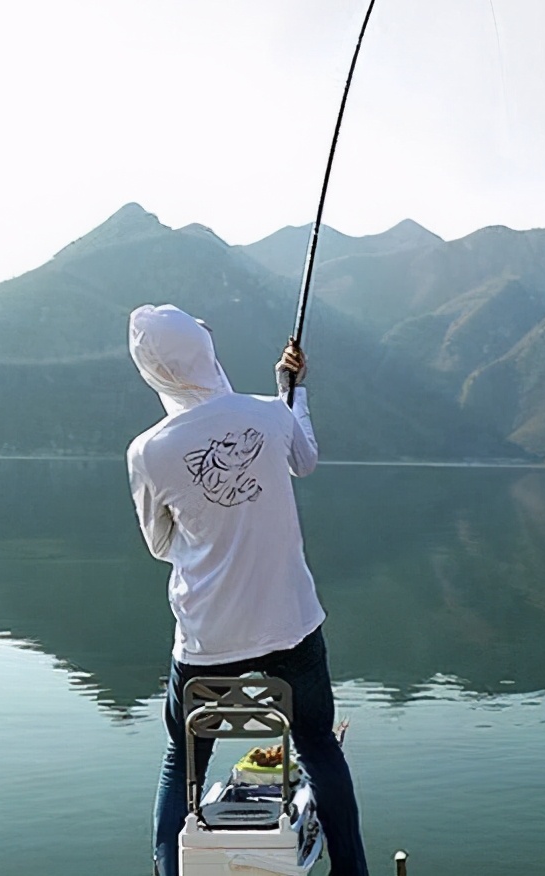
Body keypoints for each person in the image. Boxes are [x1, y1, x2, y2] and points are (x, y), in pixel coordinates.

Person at [126, 304, 370, 876]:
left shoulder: (149, 452)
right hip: (291, 623)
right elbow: (303, 461)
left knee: (182, 757)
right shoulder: (269, 414)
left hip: (207, 638)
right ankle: (353, 872)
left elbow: (159, 545)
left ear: (152, 374)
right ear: (205, 352)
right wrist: (292, 392)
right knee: (316, 743)